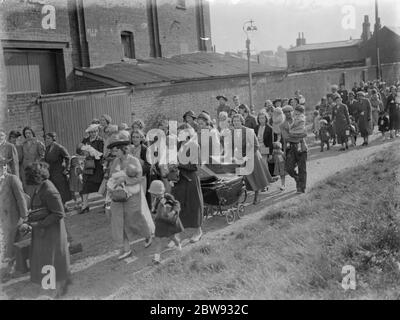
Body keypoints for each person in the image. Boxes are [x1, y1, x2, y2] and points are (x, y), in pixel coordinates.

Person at [21, 162, 71, 297]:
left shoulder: (49, 190)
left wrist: (40, 224)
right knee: (44, 260)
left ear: (38, 178)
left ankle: (52, 292)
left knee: (50, 260)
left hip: (51, 233)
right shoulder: (41, 187)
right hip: (43, 232)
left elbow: (59, 213)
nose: (32, 184)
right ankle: (49, 289)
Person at [108, 141, 155, 260]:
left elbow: (139, 178)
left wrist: (124, 179)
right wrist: (113, 184)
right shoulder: (115, 161)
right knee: (119, 220)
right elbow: (111, 175)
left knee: (134, 218)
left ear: (123, 149)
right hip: (118, 194)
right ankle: (126, 249)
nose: (114, 153)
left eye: (116, 150)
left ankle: (147, 235)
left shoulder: (133, 160)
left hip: (132, 194)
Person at [231, 114, 274, 204]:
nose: (236, 123)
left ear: (242, 121)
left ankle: (257, 195)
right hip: (239, 157)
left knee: (255, 177)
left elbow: (256, 145)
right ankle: (237, 199)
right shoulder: (232, 132)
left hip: (252, 156)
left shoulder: (249, 131)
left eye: (238, 120)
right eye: (234, 121)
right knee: (241, 179)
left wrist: (247, 157)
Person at [172, 124, 204, 243]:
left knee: (193, 205)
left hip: (190, 179)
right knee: (178, 205)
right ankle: (179, 233)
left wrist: (178, 164)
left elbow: (195, 166)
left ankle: (198, 231)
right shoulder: (178, 145)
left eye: (181, 132)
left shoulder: (194, 145)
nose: (179, 135)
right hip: (179, 179)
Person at [0, 163, 28, 282]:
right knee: (8, 241)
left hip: (14, 216)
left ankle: (11, 268)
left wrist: (24, 216)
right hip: (3, 217)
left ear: (4, 167)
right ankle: (12, 266)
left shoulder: (12, 179)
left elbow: (21, 198)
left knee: (13, 241)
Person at [149, 180, 184, 264]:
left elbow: (176, 204)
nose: (154, 196)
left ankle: (178, 244)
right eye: (153, 194)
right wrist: (153, 210)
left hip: (168, 223)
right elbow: (155, 211)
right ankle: (156, 259)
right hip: (160, 224)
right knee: (158, 240)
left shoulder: (167, 197)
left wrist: (173, 211)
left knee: (172, 237)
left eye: (156, 194)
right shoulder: (156, 200)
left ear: (161, 192)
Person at [280, 106, 308, 194]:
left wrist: (293, 134)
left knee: (302, 168)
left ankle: (301, 187)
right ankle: (297, 178)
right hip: (290, 148)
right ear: (283, 114)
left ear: (293, 112)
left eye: (289, 111)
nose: (288, 113)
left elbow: (305, 133)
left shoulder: (300, 119)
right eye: (285, 112)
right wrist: (297, 135)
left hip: (301, 145)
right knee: (289, 168)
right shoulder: (282, 125)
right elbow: (286, 138)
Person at [79, 124, 104, 214]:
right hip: (88, 165)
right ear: (89, 132)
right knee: (85, 184)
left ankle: (106, 203)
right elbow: (79, 149)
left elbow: (102, 153)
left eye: (95, 131)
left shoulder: (100, 141)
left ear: (97, 132)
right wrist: (84, 152)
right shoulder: (85, 140)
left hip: (97, 166)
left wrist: (93, 152)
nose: (93, 133)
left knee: (100, 184)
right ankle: (85, 206)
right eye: (91, 132)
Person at [44, 133, 72, 209]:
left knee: (61, 189)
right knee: (54, 189)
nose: (47, 140)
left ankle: (64, 205)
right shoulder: (47, 148)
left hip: (59, 171)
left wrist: (67, 169)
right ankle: (59, 206)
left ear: (53, 138)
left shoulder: (59, 147)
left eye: (48, 138)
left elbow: (68, 158)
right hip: (51, 172)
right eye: (46, 138)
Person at [20, 127, 45, 196]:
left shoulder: (38, 143)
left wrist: (36, 163)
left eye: (29, 133)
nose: (27, 135)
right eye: (26, 133)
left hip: (35, 168)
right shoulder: (23, 144)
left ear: (32, 133)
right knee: (27, 187)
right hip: (25, 169)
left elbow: (42, 156)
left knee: (36, 186)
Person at [129, 130, 151, 206]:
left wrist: (139, 170)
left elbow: (148, 165)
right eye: (133, 137)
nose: (135, 139)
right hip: (129, 178)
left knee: (140, 200)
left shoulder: (145, 149)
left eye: (137, 137)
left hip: (141, 178)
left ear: (141, 138)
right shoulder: (128, 149)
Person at [255, 111, 277, 178]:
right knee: (258, 165)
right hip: (257, 149)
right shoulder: (256, 128)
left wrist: (270, 154)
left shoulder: (269, 128)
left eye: (263, 118)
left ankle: (266, 181)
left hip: (265, 148)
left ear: (266, 119)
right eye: (260, 118)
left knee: (264, 165)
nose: (261, 120)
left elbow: (271, 142)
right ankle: (260, 181)